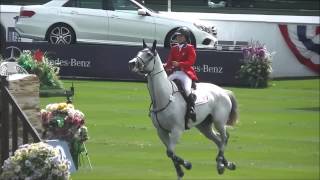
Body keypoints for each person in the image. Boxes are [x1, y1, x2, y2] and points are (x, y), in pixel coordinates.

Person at [164, 27, 198, 123]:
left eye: (181, 36)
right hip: (176, 73)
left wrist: (180, 64)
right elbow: (170, 62)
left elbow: (191, 62)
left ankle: (192, 109)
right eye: (178, 36)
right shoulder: (174, 48)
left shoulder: (190, 48)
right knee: (165, 85)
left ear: (185, 37)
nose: (178, 37)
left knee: (187, 90)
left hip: (185, 73)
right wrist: (164, 65)